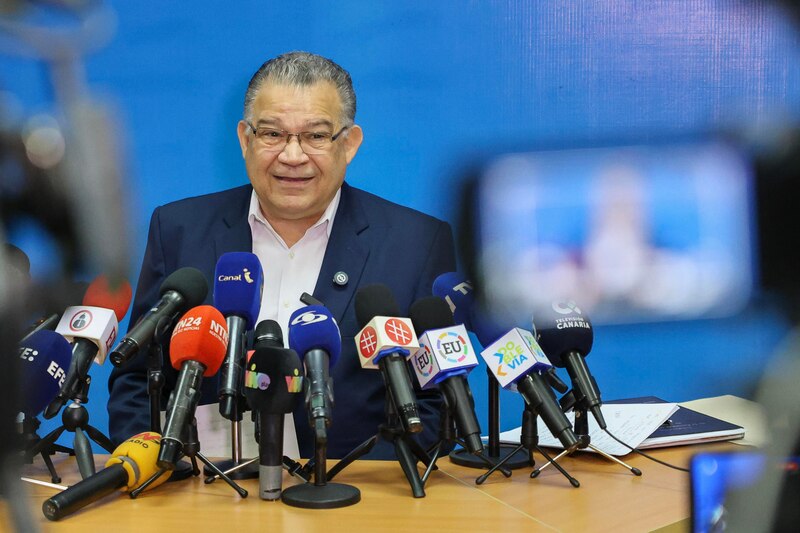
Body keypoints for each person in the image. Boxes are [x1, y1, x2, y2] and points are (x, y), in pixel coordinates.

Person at [107, 51, 456, 459]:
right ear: (245, 139)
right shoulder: (179, 229)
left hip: (355, 499)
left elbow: (439, 401)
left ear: (350, 144)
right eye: (272, 134)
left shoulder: (417, 242)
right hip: (204, 496)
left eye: (316, 136)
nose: (293, 156)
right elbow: (136, 381)